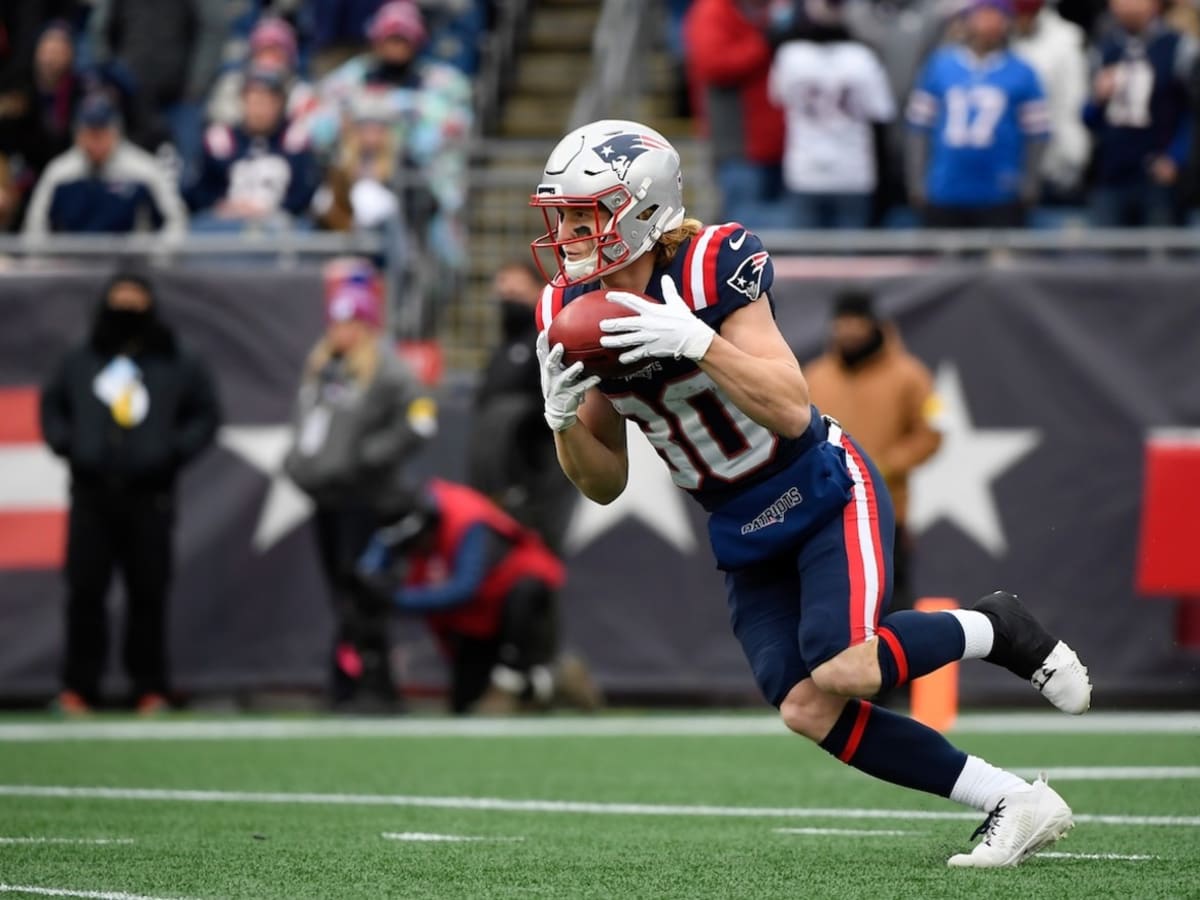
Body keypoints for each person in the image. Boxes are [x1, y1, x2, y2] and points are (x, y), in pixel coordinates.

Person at [529, 118, 1092, 867]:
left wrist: (698, 341)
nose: (567, 233)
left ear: (642, 208)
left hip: (821, 486)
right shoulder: (566, 313)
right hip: (737, 523)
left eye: (583, 214)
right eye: (561, 216)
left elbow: (792, 406)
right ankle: (1013, 800)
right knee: (806, 705)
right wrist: (562, 420)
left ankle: (997, 627)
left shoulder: (709, 263)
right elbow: (605, 484)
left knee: (844, 664)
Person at [39, 270, 221, 714]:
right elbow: (52, 408)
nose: (126, 309)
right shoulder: (81, 357)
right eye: (119, 300)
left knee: (149, 592)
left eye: (134, 300)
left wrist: (168, 453)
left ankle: (149, 686)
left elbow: (205, 414)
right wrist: (75, 448)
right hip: (92, 492)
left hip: (150, 495)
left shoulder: (176, 358)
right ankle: (79, 687)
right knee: (85, 591)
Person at [283, 260, 438, 711]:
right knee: (340, 592)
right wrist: (299, 464)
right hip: (326, 498)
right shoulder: (324, 370)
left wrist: (369, 458)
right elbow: (305, 428)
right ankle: (348, 680)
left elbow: (421, 420)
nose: (341, 331)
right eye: (336, 321)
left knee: (361, 591)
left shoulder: (388, 370)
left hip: (367, 499)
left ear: (367, 325)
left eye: (351, 322)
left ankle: (367, 682)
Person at [358, 478, 603, 715]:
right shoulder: (412, 517)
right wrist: (370, 580)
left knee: (525, 596)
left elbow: (464, 588)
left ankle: (552, 676)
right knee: (466, 705)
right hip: (477, 617)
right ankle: (544, 690)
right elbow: (373, 563)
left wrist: (395, 598)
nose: (414, 551)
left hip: (516, 606)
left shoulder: (468, 520)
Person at [802, 289, 942, 644]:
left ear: (873, 324)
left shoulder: (910, 375)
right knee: (830, 600)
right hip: (826, 511)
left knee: (891, 601)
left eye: (856, 321)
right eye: (842, 322)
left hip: (886, 511)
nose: (849, 330)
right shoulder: (815, 376)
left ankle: (897, 683)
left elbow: (933, 433)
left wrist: (883, 466)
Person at [905, 0, 1050, 227]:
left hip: (1000, 191)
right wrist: (917, 181)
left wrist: (1029, 183)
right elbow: (918, 128)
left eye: (996, 16)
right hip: (945, 188)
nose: (988, 24)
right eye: (982, 15)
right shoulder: (940, 66)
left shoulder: (1023, 71)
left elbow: (1037, 135)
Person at [466, 259, 575, 552]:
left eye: (516, 293)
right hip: (496, 481)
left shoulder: (550, 342)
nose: (507, 301)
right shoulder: (502, 349)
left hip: (536, 477)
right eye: (503, 294)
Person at [768, 0, 896, 229]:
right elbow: (882, 110)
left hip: (806, 169)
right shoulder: (863, 57)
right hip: (852, 170)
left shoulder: (790, 55)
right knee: (849, 261)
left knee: (806, 260)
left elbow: (777, 97)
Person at [1085, 0, 1196, 226]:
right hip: (1111, 174)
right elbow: (1087, 118)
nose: (1127, 7)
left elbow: (1192, 112)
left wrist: (1176, 158)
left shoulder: (1178, 47)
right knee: (1105, 255)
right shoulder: (1104, 49)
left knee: (1158, 254)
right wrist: (1097, 98)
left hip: (1158, 175)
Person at [22, 92, 188, 239]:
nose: (95, 143)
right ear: (77, 134)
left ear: (116, 131)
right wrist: (42, 262)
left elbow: (175, 220)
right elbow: (35, 226)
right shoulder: (59, 172)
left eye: (101, 134)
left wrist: (155, 260)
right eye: (89, 134)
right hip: (72, 264)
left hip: (129, 266)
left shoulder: (143, 169)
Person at [186, 67, 321, 231]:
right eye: (254, 101)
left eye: (266, 102)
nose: (259, 110)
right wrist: (223, 205)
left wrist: (270, 210)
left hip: (280, 224)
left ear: (279, 104)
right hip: (226, 223)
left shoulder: (296, 138)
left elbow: (305, 190)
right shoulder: (220, 138)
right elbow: (200, 190)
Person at [1010, 0, 1092, 202]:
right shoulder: (999, 36)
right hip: (1006, 165)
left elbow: (1073, 102)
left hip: (1054, 163)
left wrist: (1073, 155)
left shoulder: (1067, 38)